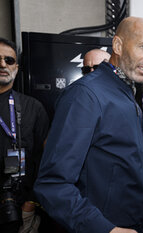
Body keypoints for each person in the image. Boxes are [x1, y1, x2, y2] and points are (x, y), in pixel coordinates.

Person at [34, 16, 143, 233]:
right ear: (118, 45)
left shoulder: (127, 93)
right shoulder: (85, 95)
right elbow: (53, 184)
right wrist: (104, 228)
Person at [0, 37, 49, 232]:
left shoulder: (33, 108)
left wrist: (31, 203)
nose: (2, 64)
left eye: (9, 60)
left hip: (19, 207)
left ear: (17, 67)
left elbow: (46, 159)